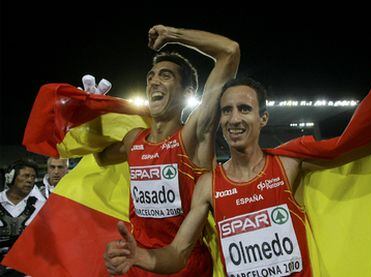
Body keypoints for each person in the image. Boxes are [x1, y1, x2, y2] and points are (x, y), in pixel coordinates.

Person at [103, 77, 313, 276]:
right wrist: (140, 256)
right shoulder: (208, 185)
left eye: (245, 109)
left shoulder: (288, 165)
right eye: (226, 111)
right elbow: (178, 252)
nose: (234, 119)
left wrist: (172, 36)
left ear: (263, 118)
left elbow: (344, 150)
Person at [96, 25, 240, 276]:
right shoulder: (133, 140)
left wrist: (172, 35)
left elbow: (229, 51)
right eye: (150, 76)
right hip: (136, 262)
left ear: (188, 92)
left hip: (185, 266)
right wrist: (91, 111)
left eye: (165, 75)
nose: (153, 81)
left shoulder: (194, 135)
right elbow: (99, 156)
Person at [0, 159, 46, 276]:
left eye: (33, 177)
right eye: (26, 176)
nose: (30, 180)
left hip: (29, 271)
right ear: (10, 177)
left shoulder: (42, 207)